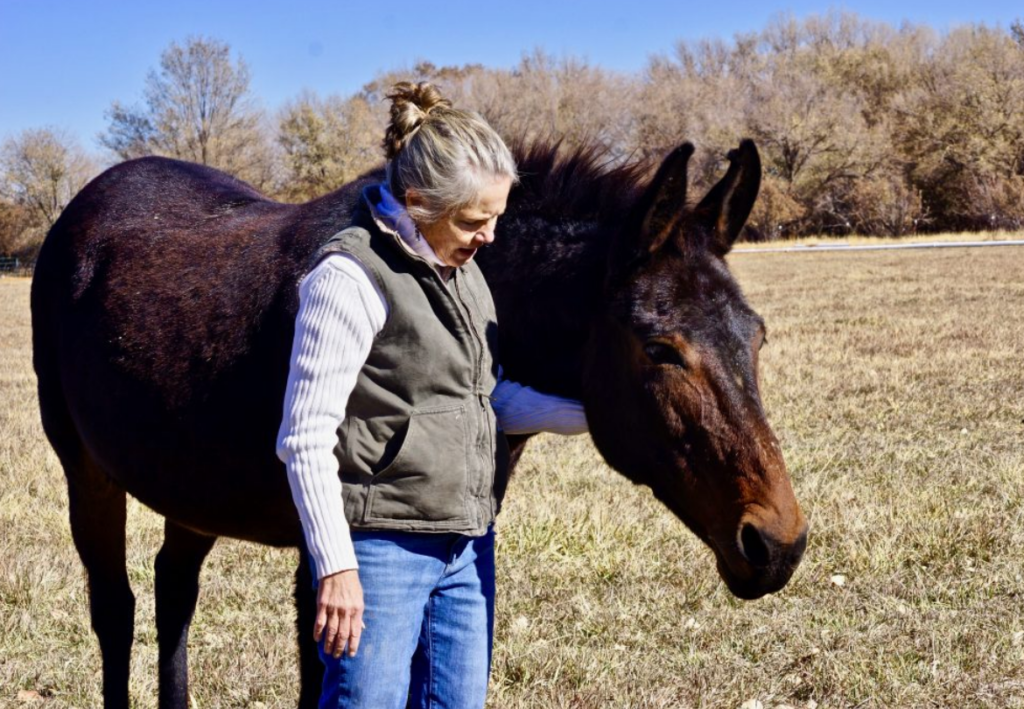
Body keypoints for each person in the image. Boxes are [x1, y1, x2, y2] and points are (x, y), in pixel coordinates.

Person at [276, 82, 588, 709]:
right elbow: (304, 439)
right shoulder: (348, 279)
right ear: (416, 201)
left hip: (467, 541)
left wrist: (594, 417)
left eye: (498, 215)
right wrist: (336, 568)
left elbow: (484, 397)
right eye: (475, 220)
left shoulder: (465, 274)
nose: (490, 236)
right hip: (382, 548)